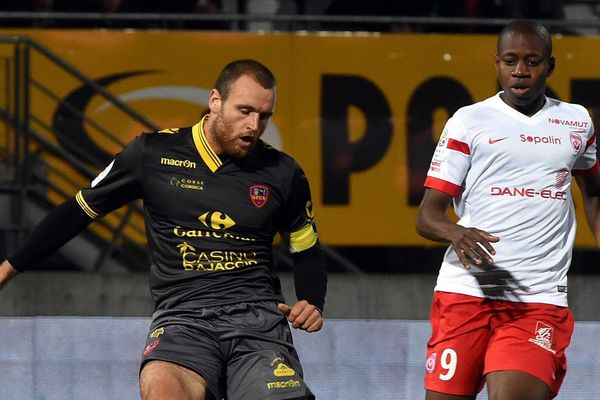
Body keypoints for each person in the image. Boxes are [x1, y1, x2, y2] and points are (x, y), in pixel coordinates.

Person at [0, 59, 327, 400]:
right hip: (182, 321)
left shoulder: (284, 173)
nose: (254, 125)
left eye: (264, 116)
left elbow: (306, 249)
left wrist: (312, 301)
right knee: (162, 390)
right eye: (244, 111)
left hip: (258, 321)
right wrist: (6, 270)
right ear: (215, 100)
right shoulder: (151, 154)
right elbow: (75, 213)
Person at [416, 20, 600, 400]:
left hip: (537, 299)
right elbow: (427, 216)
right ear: (497, 63)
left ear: (551, 65)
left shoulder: (577, 122)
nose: (520, 71)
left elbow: (594, 190)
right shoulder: (468, 122)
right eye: (511, 61)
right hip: (465, 292)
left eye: (532, 61)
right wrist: (456, 232)